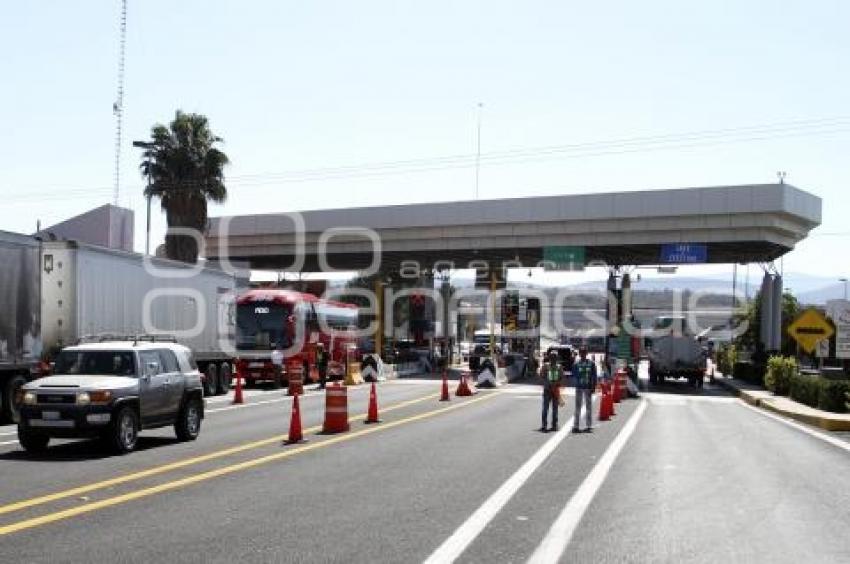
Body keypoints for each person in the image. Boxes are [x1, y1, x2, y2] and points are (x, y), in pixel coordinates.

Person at [572, 345, 598, 433]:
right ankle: (576, 425)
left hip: (588, 387)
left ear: (586, 353)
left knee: (588, 407)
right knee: (577, 407)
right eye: (581, 352)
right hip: (579, 387)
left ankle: (588, 425)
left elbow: (594, 376)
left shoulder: (591, 363)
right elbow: (574, 375)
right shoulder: (576, 364)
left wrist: (593, 386)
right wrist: (576, 383)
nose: (582, 354)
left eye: (584, 352)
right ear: (579, 354)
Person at [539, 351, 562, 433]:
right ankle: (544, 425)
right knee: (545, 408)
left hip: (555, 390)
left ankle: (554, 425)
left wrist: (557, 384)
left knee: (555, 409)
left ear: (557, 358)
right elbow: (541, 377)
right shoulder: (545, 366)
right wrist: (548, 384)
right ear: (549, 357)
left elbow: (561, 378)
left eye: (555, 357)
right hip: (547, 390)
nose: (553, 358)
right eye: (552, 357)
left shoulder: (559, 367)